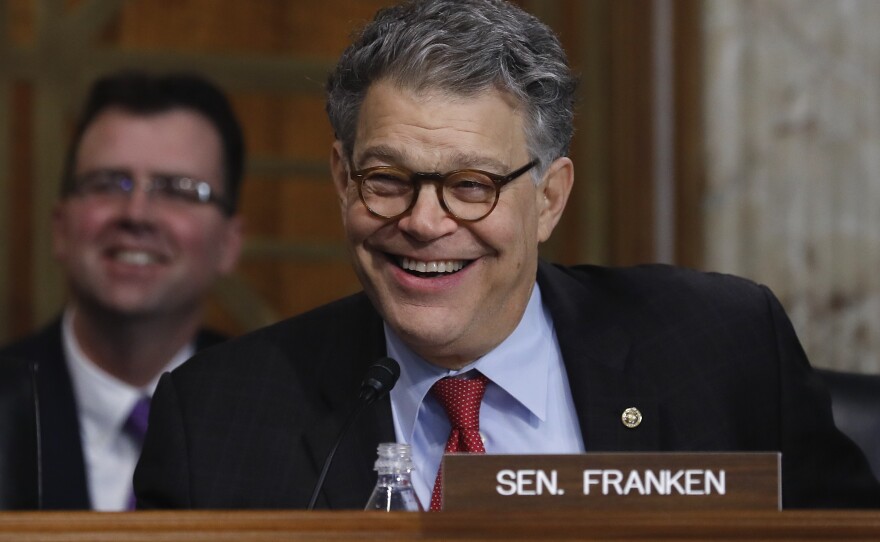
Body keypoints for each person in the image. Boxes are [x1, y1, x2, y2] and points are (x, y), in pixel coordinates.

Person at [134, 0, 879, 510]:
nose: (425, 224)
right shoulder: (216, 419)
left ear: (549, 198)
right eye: (387, 180)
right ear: (341, 179)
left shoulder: (723, 350)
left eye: (470, 185)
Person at [0, 70, 245, 510]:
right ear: (60, 227)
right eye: (109, 184)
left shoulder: (276, 419)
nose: (136, 214)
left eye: (178, 189)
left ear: (229, 243)